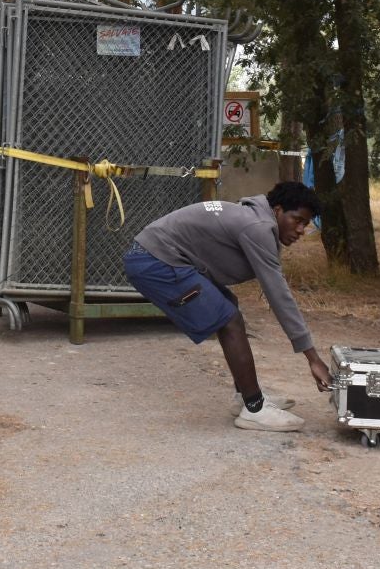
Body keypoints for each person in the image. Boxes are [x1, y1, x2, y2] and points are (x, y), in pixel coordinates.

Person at [122, 182, 333, 433]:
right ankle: (254, 409)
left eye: (305, 225)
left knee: (229, 308)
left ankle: (246, 395)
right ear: (277, 210)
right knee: (229, 320)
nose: (300, 230)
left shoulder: (254, 217)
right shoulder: (258, 227)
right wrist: (313, 358)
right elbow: (279, 295)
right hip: (154, 260)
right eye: (296, 220)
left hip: (159, 255)